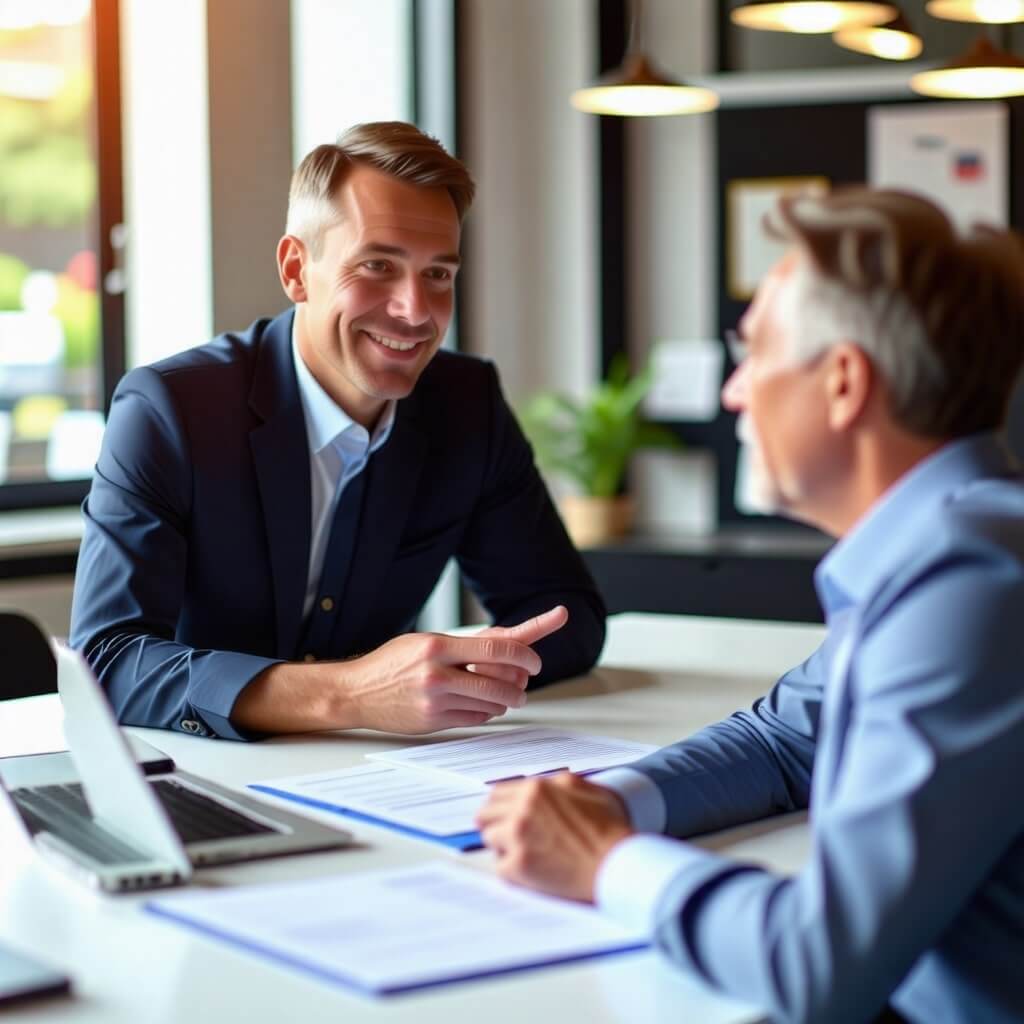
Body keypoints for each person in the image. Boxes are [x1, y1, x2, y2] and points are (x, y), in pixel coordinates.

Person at [478, 188, 1024, 1024]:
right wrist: (608, 801)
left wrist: (606, 861)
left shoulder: (973, 581)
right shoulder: (957, 540)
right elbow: (782, 741)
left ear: (844, 382)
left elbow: (819, 965)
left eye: (757, 351)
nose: (735, 393)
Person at [69, 121, 605, 741]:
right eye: (378, 265)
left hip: (376, 772)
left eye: (439, 275)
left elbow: (569, 617)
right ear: (297, 270)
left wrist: (442, 674)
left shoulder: (466, 404)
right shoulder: (169, 410)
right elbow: (106, 662)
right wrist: (353, 694)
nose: (415, 311)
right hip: (198, 772)